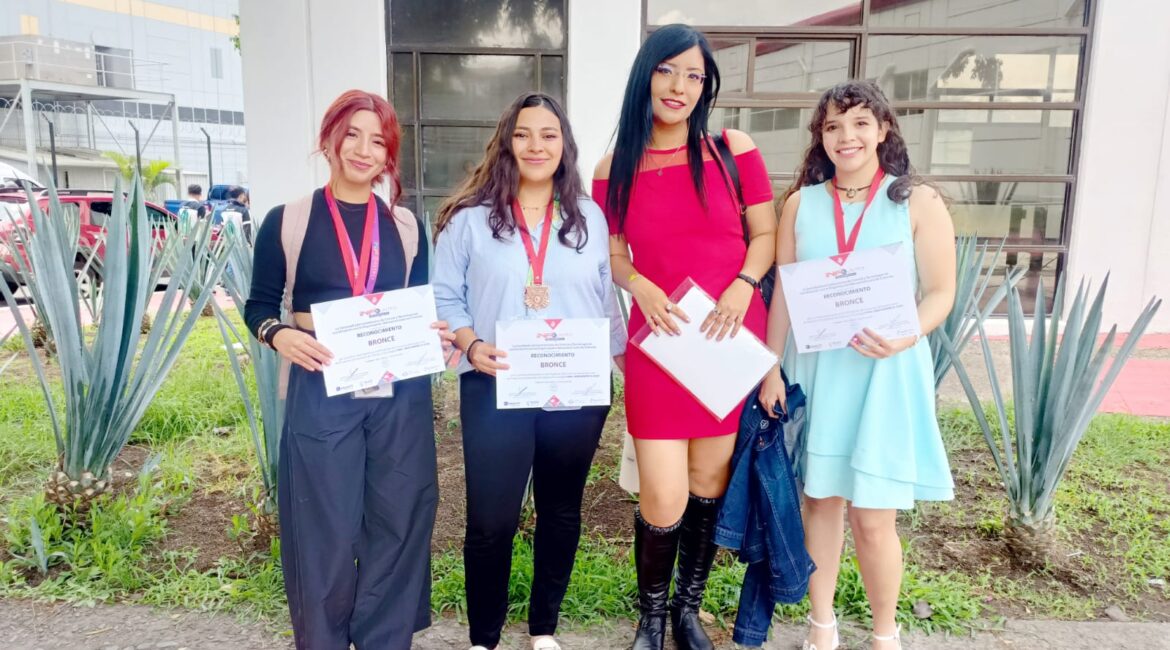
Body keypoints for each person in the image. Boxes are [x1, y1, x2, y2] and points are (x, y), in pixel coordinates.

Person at [243, 89, 454, 650]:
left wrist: (432, 331)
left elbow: (419, 305)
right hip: (322, 384)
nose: (364, 150)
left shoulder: (405, 226)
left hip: (398, 390)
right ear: (330, 139)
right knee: (325, 527)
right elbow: (258, 305)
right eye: (353, 135)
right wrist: (279, 334)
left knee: (399, 517)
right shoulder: (288, 221)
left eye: (378, 141)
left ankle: (385, 638)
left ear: (389, 154)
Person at [593, 24, 778, 650]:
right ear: (645, 75)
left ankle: (686, 611)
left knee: (706, 485)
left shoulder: (731, 150)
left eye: (694, 76)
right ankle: (649, 618)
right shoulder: (613, 169)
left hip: (725, 337)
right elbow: (613, 254)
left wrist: (745, 284)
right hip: (661, 341)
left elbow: (764, 234)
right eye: (667, 70)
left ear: (706, 87)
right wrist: (639, 285)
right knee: (663, 494)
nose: (679, 86)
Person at [758, 80, 956, 650]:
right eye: (833, 126)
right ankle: (822, 626)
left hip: (884, 374)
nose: (846, 136)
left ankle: (885, 633)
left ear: (883, 129)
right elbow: (784, 294)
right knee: (819, 502)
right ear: (820, 137)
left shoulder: (917, 201)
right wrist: (771, 368)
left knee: (873, 518)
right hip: (818, 371)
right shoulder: (801, 204)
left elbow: (941, 292)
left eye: (860, 123)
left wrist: (904, 335)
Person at [432, 92, 627, 650]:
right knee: (490, 519)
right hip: (495, 382)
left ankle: (544, 628)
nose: (535, 145)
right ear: (506, 142)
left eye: (548, 134)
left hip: (576, 388)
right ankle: (484, 637)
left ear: (565, 145)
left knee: (561, 511)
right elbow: (444, 295)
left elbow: (605, 300)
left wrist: (626, 368)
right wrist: (470, 344)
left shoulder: (588, 216)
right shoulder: (470, 220)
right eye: (523, 134)